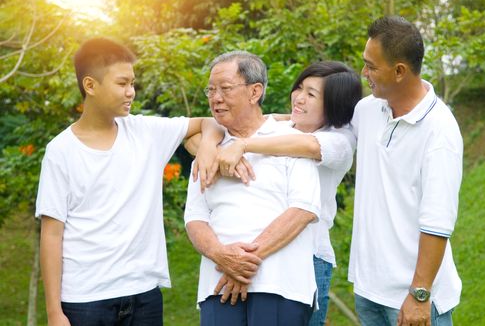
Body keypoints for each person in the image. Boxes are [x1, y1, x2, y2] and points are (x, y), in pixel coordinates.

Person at [36, 37, 216, 326]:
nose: (131, 92)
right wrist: (54, 312)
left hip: (143, 294)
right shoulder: (61, 151)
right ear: (90, 85)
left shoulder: (145, 132)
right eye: (122, 84)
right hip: (84, 300)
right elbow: (52, 234)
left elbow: (210, 122)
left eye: (133, 83)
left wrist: (207, 147)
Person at [212, 61, 362, 326]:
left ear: (334, 105)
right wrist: (206, 144)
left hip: (307, 257)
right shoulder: (286, 126)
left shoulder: (339, 142)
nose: (299, 98)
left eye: (312, 94)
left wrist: (243, 145)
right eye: (300, 88)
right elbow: (209, 125)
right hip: (259, 251)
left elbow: (305, 145)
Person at [184, 51, 321, 326]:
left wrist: (242, 263)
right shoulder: (208, 151)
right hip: (218, 286)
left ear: (254, 91)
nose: (215, 98)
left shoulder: (292, 141)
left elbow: (303, 210)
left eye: (225, 88)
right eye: (211, 90)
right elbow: (195, 218)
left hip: (280, 285)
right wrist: (222, 256)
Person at [349, 16, 463, 326]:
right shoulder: (368, 109)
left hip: (412, 301)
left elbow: (437, 222)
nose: (364, 73)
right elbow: (320, 136)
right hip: (369, 291)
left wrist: (420, 294)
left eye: (371, 66)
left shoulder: (440, 131)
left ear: (400, 71)